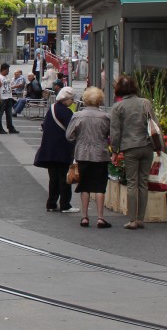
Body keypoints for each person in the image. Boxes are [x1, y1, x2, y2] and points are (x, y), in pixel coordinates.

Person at [109, 75, 159, 230]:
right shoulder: (146, 103)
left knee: (132, 182)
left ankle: (132, 220)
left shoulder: (118, 107)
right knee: (143, 182)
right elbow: (155, 125)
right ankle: (140, 218)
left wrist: (115, 151)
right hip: (147, 146)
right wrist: (158, 145)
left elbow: (115, 131)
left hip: (130, 147)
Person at [66, 86, 111, 227]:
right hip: (100, 154)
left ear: (85, 100)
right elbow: (113, 136)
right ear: (99, 101)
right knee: (99, 186)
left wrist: (79, 139)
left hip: (82, 154)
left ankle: (84, 217)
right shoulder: (105, 117)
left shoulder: (77, 115)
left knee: (84, 185)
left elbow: (69, 135)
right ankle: (100, 217)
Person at [34, 86, 77, 213]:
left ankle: (51, 204)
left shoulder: (52, 108)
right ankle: (65, 205)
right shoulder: (67, 112)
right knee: (64, 177)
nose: (73, 102)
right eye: (72, 99)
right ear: (66, 99)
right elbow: (71, 130)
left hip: (49, 149)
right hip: (62, 149)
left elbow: (44, 125)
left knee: (53, 178)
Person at [0, 63, 18, 134]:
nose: (8, 71)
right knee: (0, 113)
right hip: (3, 98)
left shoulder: (6, 77)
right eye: (7, 70)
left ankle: (10, 127)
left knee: (9, 114)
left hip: (8, 97)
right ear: (4, 69)